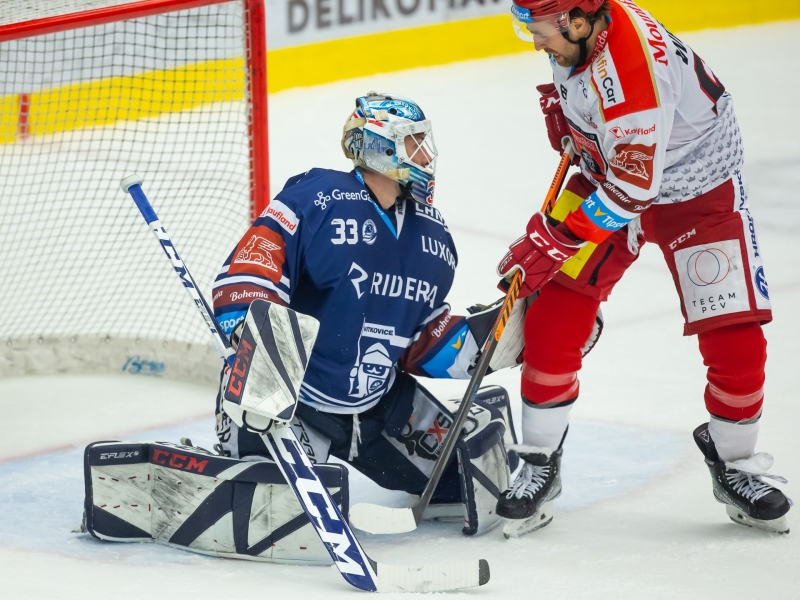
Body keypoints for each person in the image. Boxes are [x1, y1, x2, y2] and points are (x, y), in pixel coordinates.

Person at [494, 0, 791, 536]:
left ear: (577, 22)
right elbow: (622, 163)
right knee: (554, 320)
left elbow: (633, 189)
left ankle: (735, 462)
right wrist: (578, 129)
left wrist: (560, 237)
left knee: (737, 340)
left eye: (538, 33)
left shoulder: (631, 77)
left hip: (696, 192)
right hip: (613, 174)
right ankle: (538, 458)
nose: (536, 44)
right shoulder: (584, 29)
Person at [210, 92, 524, 537]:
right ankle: (236, 432)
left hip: (375, 407)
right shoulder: (316, 198)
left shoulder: (434, 240)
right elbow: (251, 270)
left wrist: (486, 343)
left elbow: (419, 341)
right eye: (413, 143)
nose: (425, 154)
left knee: (464, 485)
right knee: (273, 513)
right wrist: (250, 334)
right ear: (380, 147)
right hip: (294, 404)